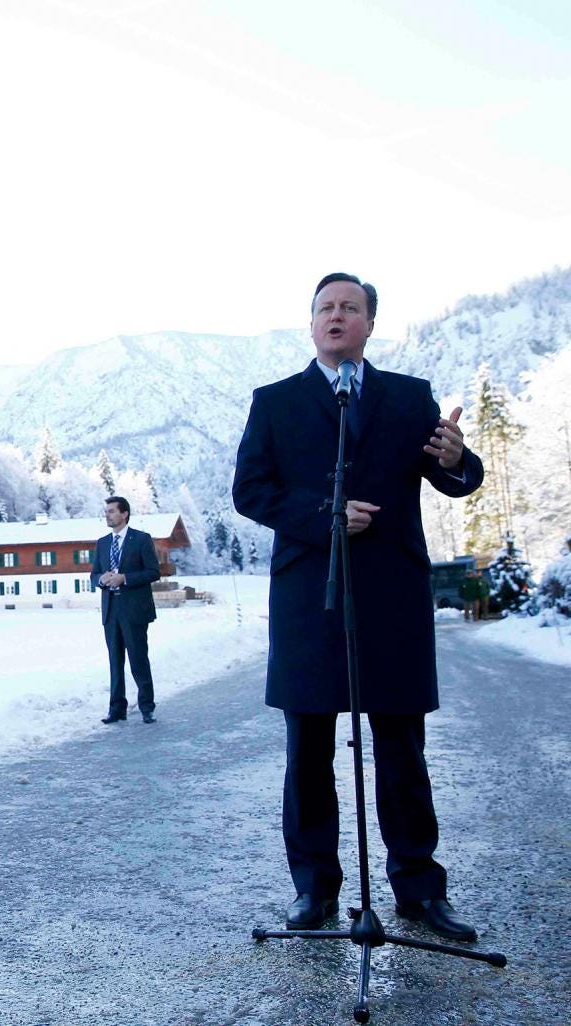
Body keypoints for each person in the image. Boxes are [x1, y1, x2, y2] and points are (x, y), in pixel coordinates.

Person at [232, 272, 484, 940]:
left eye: (350, 307)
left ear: (370, 324)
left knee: (401, 749)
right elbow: (250, 492)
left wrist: (461, 459)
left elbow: (453, 473)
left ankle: (419, 891)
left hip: (392, 598)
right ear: (310, 324)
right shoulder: (277, 403)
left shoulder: (408, 398)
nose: (336, 316)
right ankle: (313, 889)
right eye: (325, 308)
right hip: (308, 600)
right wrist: (326, 514)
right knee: (308, 751)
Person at [90, 495, 162, 724]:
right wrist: (102, 578)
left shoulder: (141, 540)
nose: (107, 515)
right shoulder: (102, 543)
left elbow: (153, 572)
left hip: (134, 610)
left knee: (138, 659)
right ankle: (117, 709)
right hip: (111, 610)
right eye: (106, 511)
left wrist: (125, 578)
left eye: (111, 511)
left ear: (124, 514)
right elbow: (93, 575)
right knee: (115, 660)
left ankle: (147, 707)